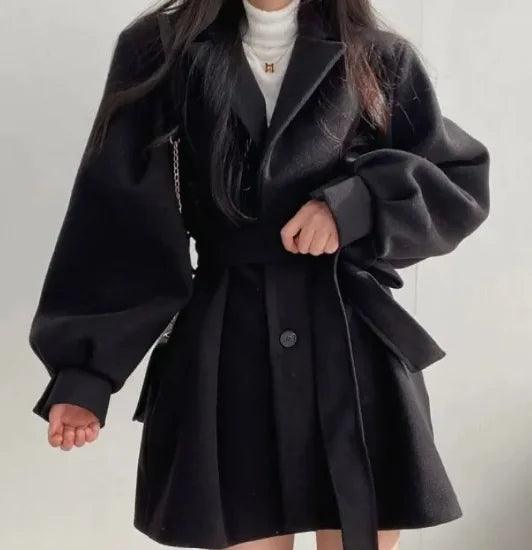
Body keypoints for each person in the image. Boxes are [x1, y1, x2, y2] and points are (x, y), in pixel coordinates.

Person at [28, 1, 491, 550]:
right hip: (226, 349)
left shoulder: (378, 55)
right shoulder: (160, 50)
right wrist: (86, 372)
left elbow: (456, 182)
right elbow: (117, 214)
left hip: (351, 345)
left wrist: (354, 206)